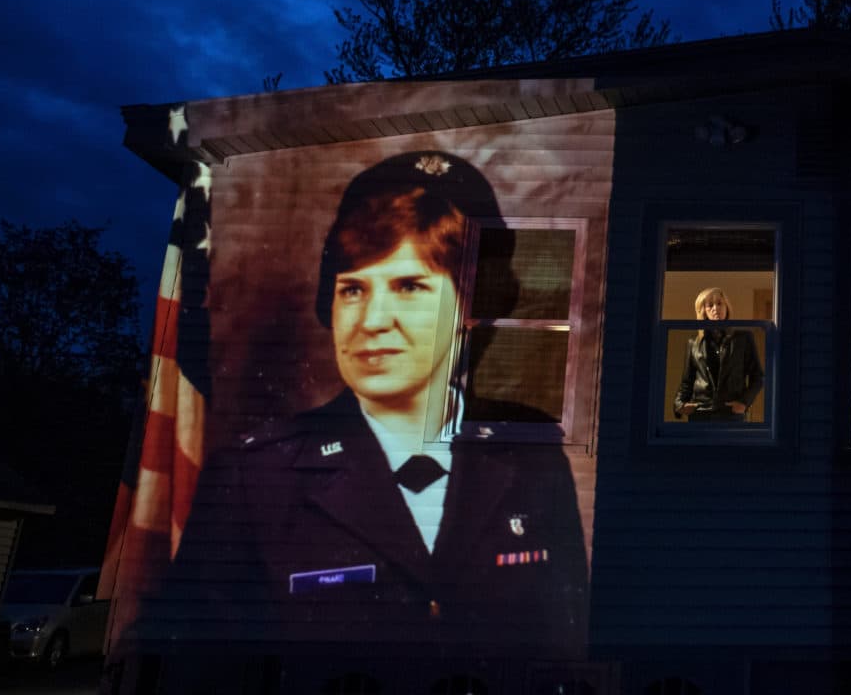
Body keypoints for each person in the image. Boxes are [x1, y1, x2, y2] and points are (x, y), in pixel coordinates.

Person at [164, 151, 588, 655]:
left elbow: (563, 645)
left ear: (469, 307)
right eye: (353, 290)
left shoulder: (531, 457)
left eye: (409, 286)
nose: (372, 320)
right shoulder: (254, 477)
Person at [672, 287, 765, 422]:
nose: (716, 308)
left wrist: (744, 403)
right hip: (701, 413)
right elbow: (687, 381)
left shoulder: (742, 338)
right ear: (703, 311)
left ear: (727, 307)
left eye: (720, 303)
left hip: (730, 412)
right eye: (710, 305)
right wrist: (679, 405)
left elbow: (758, 377)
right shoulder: (694, 342)